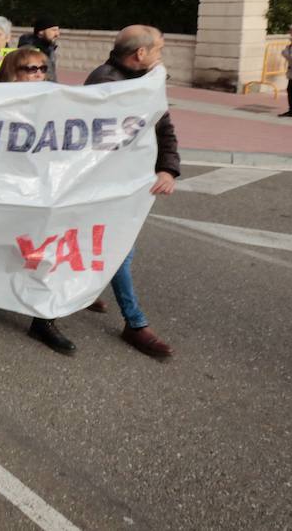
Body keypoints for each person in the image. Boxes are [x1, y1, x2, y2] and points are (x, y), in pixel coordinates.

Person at [0, 47, 79, 353]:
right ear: (12, 72)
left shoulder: (55, 103)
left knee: (39, 252)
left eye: (41, 69)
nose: (37, 74)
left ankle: (42, 318)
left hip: (36, 194)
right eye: (29, 69)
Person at [83, 25, 178, 358]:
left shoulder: (147, 82)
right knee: (119, 250)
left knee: (105, 246)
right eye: (159, 50)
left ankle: (79, 288)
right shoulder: (105, 84)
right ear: (140, 53)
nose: (160, 57)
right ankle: (135, 323)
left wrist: (168, 167)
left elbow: (163, 125)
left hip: (127, 186)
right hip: (103, 188)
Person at [18, 17, 61, 82]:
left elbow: (51, 75)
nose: (57, 34)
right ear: (40, 32)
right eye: (53, 30)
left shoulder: (49, 48)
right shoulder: (28, 51)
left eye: (58, 30)